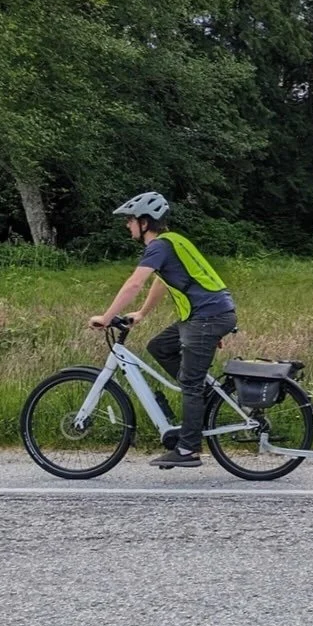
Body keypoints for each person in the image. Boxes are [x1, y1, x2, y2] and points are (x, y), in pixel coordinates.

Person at [89, 192, 237, 468]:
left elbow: (134, 284)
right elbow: (162, 281)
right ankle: (204, 397)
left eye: (131, 220)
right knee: (159, 346)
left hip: (207, 317)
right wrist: (142, 313)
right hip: (206, 316)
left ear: (145, 222)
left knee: (190, 383)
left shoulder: (159, 246)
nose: (128, 225)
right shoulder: (172, 241)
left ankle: (188, 449)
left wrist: (107, 318)